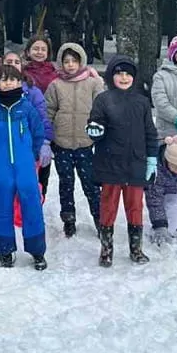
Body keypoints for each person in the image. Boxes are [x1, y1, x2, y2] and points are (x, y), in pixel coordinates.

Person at [86, 54, 159, 267]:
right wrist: (94, 129)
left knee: (135, 207)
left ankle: (136, 249)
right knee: (108, 207)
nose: (124, 78)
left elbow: (150, 133)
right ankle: (106, 249)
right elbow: (95, 124)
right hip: (110, 163)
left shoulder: (142, 102)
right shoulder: (103, 99)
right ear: (111, 76)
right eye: (119, 74)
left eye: (128, 74)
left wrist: (152, 159)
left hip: (136, 164)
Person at [0, 65, 49, 270]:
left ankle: (37, 250)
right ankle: (5, 250)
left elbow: (37, 134)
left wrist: (30, 154)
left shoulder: (26, 108)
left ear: (20, 82)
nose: (7, 83)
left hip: (25, 165)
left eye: (12, 79)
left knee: (32, 205)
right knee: (2, 206)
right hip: (2, 167)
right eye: (2, 79)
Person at [44, 42, 104, 238]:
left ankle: (99, 218)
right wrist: (48, 136)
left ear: (81, 61)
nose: (70, 65)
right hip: (62, 144)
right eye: (66, 61)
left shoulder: (93, 82)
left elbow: (102, 109)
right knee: (66, 183)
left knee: (91, 184)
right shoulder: (56, 84)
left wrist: (99, 133)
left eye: (74, 61)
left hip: (86, 144)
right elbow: (49, 111)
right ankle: (68, 219)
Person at [0, 49, 55, 206]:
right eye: (8, 62)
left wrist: (45, 141)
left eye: (17, 62)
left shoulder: (32, 91)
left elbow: (42, 117)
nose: (13, 65)